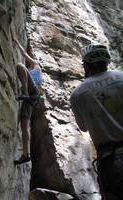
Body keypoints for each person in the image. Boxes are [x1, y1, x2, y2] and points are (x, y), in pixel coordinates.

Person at [70, 43, 123, 200]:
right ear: (106, 62)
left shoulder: (78, 94)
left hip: (111, 159)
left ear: (86, 65)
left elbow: (83, 127)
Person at [14, 39, 43, 164]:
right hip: (32, 99)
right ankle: (26, 154)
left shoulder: (36, 66)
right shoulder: (31, 71)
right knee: (24, 124)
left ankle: (24, 93)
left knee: (20, 66)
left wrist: (17, 41)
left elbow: (25, 54)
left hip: (32, 93)